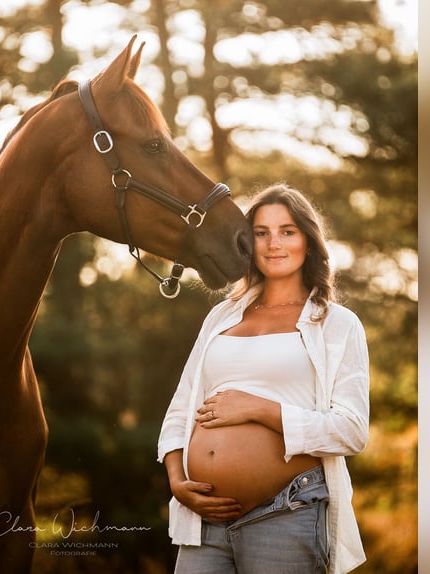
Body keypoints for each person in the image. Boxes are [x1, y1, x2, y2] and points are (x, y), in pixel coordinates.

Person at [157, 183, 370, 574]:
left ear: (308, 241)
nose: (274, 243)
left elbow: (351, 430)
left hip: (286, 513)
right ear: (248, 242)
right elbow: (181, 408)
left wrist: (257, 408)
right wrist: (176, 480)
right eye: (261, 233)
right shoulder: (221, 317)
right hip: (202, 522)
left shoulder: (336, 324)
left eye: (287, 231)